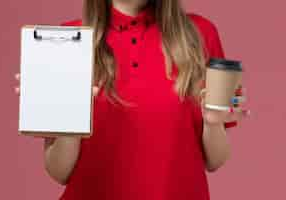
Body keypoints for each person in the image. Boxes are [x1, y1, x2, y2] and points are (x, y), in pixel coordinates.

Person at [14, 0, 249, 199]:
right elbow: (59, 172)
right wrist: (67, 114)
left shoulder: (200, 33)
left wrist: (213, 122)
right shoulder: (70, 40)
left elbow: (215, 160)